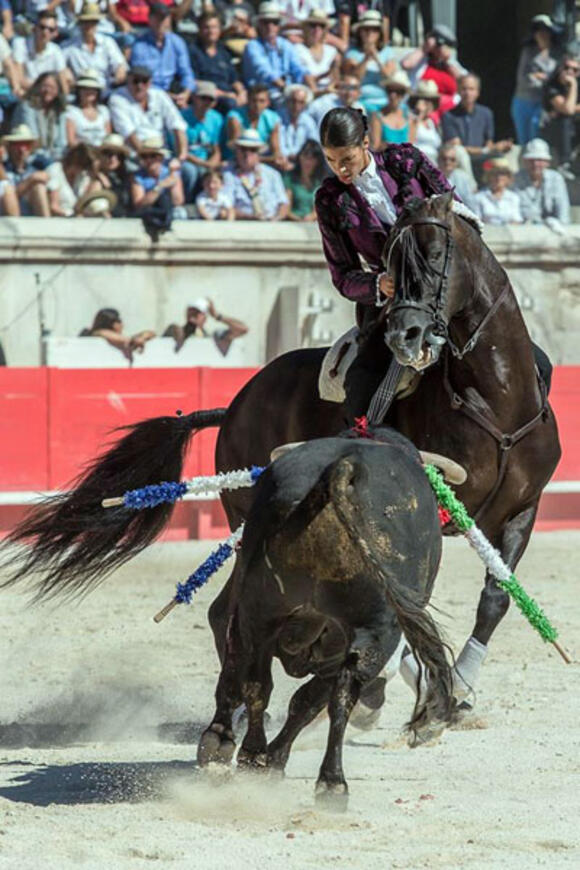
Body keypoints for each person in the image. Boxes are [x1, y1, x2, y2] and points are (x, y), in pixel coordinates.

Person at [315, 107, 454, 415]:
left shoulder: (406, 160)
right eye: (330, 160)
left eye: (346, 159)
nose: (340, 170)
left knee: (533, 362)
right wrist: (379, 284)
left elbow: (454, 208)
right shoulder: (329, 200)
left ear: (365, 143)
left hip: (446, 285)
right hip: (392, 304)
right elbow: (343, 276)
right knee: (363, 385)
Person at [441, 72, 513, 180]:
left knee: (501, 160)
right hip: (461, 159)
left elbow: (488, 142)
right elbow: (458, 148)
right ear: (458, 91)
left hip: (482, 158)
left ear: (477, 92)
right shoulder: (449, 115)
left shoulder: (486, 113)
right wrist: (487, 150)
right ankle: (471, 187)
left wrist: (500, 147)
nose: (467, 93)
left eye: (471, 89)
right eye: (464, 89)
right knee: (460, 153)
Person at [109, 65, 188, 159]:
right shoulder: (117, 99)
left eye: (144, 81)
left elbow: (177, 125)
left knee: (187, 170)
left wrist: (181, 157)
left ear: (150, 82)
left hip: (161, 152)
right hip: (135, 154)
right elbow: (128, 134)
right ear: (128, 81)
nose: (140, 85)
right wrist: (147, 160)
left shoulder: (159, 95)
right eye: (135, 81)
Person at [241, 2, 307, 109]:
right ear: (259, 25)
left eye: (275, 22)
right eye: (266, 22)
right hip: (262, 96)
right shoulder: (252, 46)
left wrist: (307, 83)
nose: (270, 26)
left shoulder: (286, 45)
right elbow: (266, 73)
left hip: (287, 93)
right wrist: (288, 89)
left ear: (279, 26)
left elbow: (298, 69)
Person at [130, 3, 195, 108]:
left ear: (169, 20)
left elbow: (186, 72)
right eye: (157, 18)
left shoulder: (177, 42)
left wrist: (186, 93)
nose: (161, 23)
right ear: (150, 20)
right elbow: (140, 77)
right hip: (149, 91)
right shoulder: (139, 45)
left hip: (174, 91)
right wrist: (166, 96)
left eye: (164, 19)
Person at [511, 13, 560, 146]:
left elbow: (556, 79)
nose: (541, 34)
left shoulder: (557, 54)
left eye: (545, 31)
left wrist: (538, 77)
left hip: (543, 102)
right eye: (538, 31)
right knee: (523, 141)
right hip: (522, 100)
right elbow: (522, 78)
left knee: (536, 136)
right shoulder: (528, 52)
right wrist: (540, 78)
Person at [222, 127, 289, 221]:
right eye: (243, 149)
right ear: (237, 151)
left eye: (252, 149)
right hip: (241, 225)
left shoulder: (272, 174)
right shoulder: (228, 174)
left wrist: (276, 219)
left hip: (271, 224)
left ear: (259, 153)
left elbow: (283, 204)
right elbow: (225, 207)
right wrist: (251, 218)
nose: (247, 154)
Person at [189, 10, 247, 114]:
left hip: (228, 95)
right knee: (230, 104)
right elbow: (193, 81)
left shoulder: (223, 51)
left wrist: (242, 92)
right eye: (207, 27)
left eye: (214, 27)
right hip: (207, 97)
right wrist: (223, 94)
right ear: (200, 30)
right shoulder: (193, 51)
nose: (211, 31)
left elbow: (234, 79)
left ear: (220, 30)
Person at [63, 2, 127, 93]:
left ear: (97, 23)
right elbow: (59, 65)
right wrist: (65, 72)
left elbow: (120, 65)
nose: (89, 26)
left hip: (106, 90)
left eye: (92, 22)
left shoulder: (107, 43)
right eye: (85, 22)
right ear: (80, 24)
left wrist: (120, 71)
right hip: (81, 91)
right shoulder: (69, 46)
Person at [400, 24, 465, 114]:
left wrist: (447, 61)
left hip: (448, 113)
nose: (439, 48)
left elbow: (465, 80)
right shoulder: (420, 59)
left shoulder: (451, 64)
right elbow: (406, 64)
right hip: (421, 110)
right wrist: (425, 48)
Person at [344, 9, 396, 114]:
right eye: (366, 29)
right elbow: (355, 78)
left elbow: (388, 77)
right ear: (360, 32)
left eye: (374, 30)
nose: (370, 33)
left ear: (379, 33)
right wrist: (366, 58)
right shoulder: (352, 52)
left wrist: (376, 58)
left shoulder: (388, 52)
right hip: (360, 100)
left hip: (384, 100)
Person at [180, 79, 223, 200]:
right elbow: (181, 151)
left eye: (210, 99)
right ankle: (188, 202)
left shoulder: (216, 118)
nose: (206, 102)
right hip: (187, 159)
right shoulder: (181, 117)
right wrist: (203, 164)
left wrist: (213, 162)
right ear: (194, 98)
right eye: (203, 98)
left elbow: (216, 148)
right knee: (191, 172)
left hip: (206, 159)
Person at [514, 137, 570, 227]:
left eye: (540, 160)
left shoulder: (556, 179)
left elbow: (563, 210)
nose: (535, 164)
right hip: (524, 229)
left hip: (552, 229)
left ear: (547, 163)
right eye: (531, 160)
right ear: (524, 162)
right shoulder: (516, 179)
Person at [13, 71, 68, 162]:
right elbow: (34, 138)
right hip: (28, 155)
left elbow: (62, 141)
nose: (47, 90)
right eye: (44, 86)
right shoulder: (27, 107)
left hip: (53, 156)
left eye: (52, 87)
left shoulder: (59, 111)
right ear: (37, 87)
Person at [539, 54, 580, 176]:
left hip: (575, 125)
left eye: (575, 70)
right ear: (560, 68)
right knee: (564, 119)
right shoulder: (551, 85)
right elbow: (567, 110)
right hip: (552, 127)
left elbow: (569, 108)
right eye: (567, 68)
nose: (570, 72)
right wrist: (573, 86)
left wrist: (572, 108)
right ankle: (565, 163)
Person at [163, 298, 248, 356]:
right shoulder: (176, 330)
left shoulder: (215, 336)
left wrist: (217, 316)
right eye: (191, 312)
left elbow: (243, 329)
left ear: (205, 317)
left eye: (198, 312)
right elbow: (178, 338)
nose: (193, 315)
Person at [12, 10, 69, 96]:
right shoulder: (20, 44)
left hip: (47, 96)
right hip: (27, 94)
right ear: (34, 28)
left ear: (55, 33)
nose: (45, 32)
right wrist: (42, 90)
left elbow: (64, 84)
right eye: (42, 27)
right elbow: (19, 78)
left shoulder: (56, 51)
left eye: (51, 29)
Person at [130, 135, 187, 219]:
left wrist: (173, 179)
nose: (149, 160)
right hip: (148, 212)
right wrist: (160, 186)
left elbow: (177, 201)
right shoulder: (137, 177)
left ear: (161, 157)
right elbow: (139, 206)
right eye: (145, 156)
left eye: (153, 156)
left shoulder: (171, 172)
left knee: (180, 213)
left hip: (168, 210)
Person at [2, 123, 51, 216]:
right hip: (7, 221)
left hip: (32, 218)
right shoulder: (3, 171)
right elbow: (7, 196)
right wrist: (30, 181)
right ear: (9, 147)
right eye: (17, 145)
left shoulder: (35, 168)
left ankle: (46, 226)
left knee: (39, 188)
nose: (22, 149)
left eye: (26, 145)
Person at [225, 82, 281, 160]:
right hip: (235, 160)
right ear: (248, 100)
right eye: (254, 100)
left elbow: (276, 150)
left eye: (262, 101)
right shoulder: (235, 117)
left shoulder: (273, 118)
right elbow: (237, 149)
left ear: (268, 103)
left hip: (260, 160)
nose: (257, 105)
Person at [80, 307, 155, 362]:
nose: (122, 325)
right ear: (113, 324)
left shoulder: (116, 339)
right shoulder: (97, 333)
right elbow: (106, 334)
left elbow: (150, 333)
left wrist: (143, 337)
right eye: (119, 321)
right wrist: (133, 340)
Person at [293, 9, 339, 98]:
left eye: (321, 26)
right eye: (313, 25)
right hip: (303, 94)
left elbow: (336, 79)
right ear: (305, 28)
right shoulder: (297, 49)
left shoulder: (332, 51)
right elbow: (301, 77)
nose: (317, 29)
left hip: (329, 94)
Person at [47, 142, 101, 216]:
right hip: (60, 218)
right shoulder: (56, 170)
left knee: (96, 185)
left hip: (77, 219)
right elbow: (54, 207)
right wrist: (71, 216)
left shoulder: (82, 176)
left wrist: (95, 175)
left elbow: (82, 205)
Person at [65, 69, 112, 147]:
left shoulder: (104, 111)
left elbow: (108, 138)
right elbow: (71, 141)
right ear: (79, 91)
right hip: (81, 153)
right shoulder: (71, 111)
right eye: (85, 88)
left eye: (93, 89)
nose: (89, 91)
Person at [284, 137, 326, 221]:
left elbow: (321, 209)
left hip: (314, 224)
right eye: (305, 157)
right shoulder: (290, 178)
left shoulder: (321, 182)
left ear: (317, 161)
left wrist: (312, 216)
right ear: (300, 157)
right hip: (293, 223)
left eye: (312, 159)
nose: (308, 162)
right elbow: (286, 209)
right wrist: (299, 219)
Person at [277, 83, 318, 169]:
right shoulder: (277, 118)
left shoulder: (308, 122)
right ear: (287, 101)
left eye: (301, 102)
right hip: (281, 162)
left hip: (302, 163)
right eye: (293, 101)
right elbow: (277, 145)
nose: (296, 106)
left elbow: (313, 144)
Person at [370, 70, 412, 150]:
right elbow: (375, 147)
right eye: (390, 90)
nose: (393, 95)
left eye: (398, 91)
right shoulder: (377, 116)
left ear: (403, 95)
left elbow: (411, 148)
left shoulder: (408, 117)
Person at [473, 159, 523, 226]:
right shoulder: (479, 197)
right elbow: (476, 222)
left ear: (508, 178)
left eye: (502, 174)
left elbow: (517, 220)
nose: (499, 178)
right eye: (495, 174)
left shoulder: (513, 198)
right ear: (489, 177)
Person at [96, 132, 132, 215]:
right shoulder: (95, 180)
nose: (113, 159)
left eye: (119, 155)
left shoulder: (128, 178)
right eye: (109, 154)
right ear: (101, 155)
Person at [409, 78, 441, 163]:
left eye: (432, 101)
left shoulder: (432, 123)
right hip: (418, 160)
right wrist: (420, 113)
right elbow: (409, 142)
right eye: (426, 100)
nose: (430, 104)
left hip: (434, 161)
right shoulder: (411, 118)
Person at [437, 143, 477, 211]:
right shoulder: (431, 176)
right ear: (438, 160)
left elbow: (469, 203)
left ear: (456, 162)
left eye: (452, 159)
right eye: (444, 158)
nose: (448, 162)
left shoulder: (463, 178)